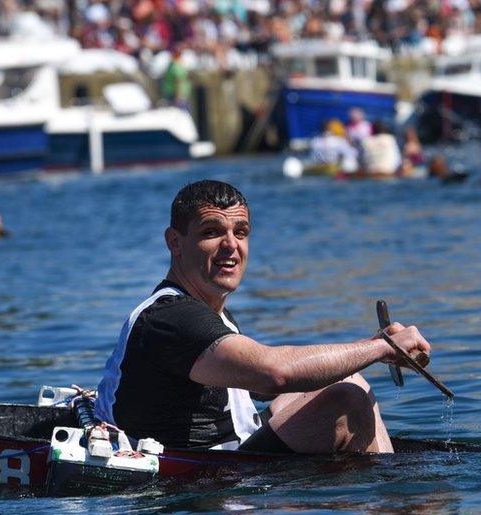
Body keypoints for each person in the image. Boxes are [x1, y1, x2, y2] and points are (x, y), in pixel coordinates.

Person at [94, 180, 431, 454]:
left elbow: (264, 388)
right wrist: (381, 350)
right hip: (202, 477)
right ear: (175, 242)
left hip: (236, 454)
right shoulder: (172, 318)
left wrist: (370, 346)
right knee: (348, 400)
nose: (230, 245)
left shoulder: (211, 311)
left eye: (240, 232)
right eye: (212, 232)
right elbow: (273, 374)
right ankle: (390, 501)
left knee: (347, 380)